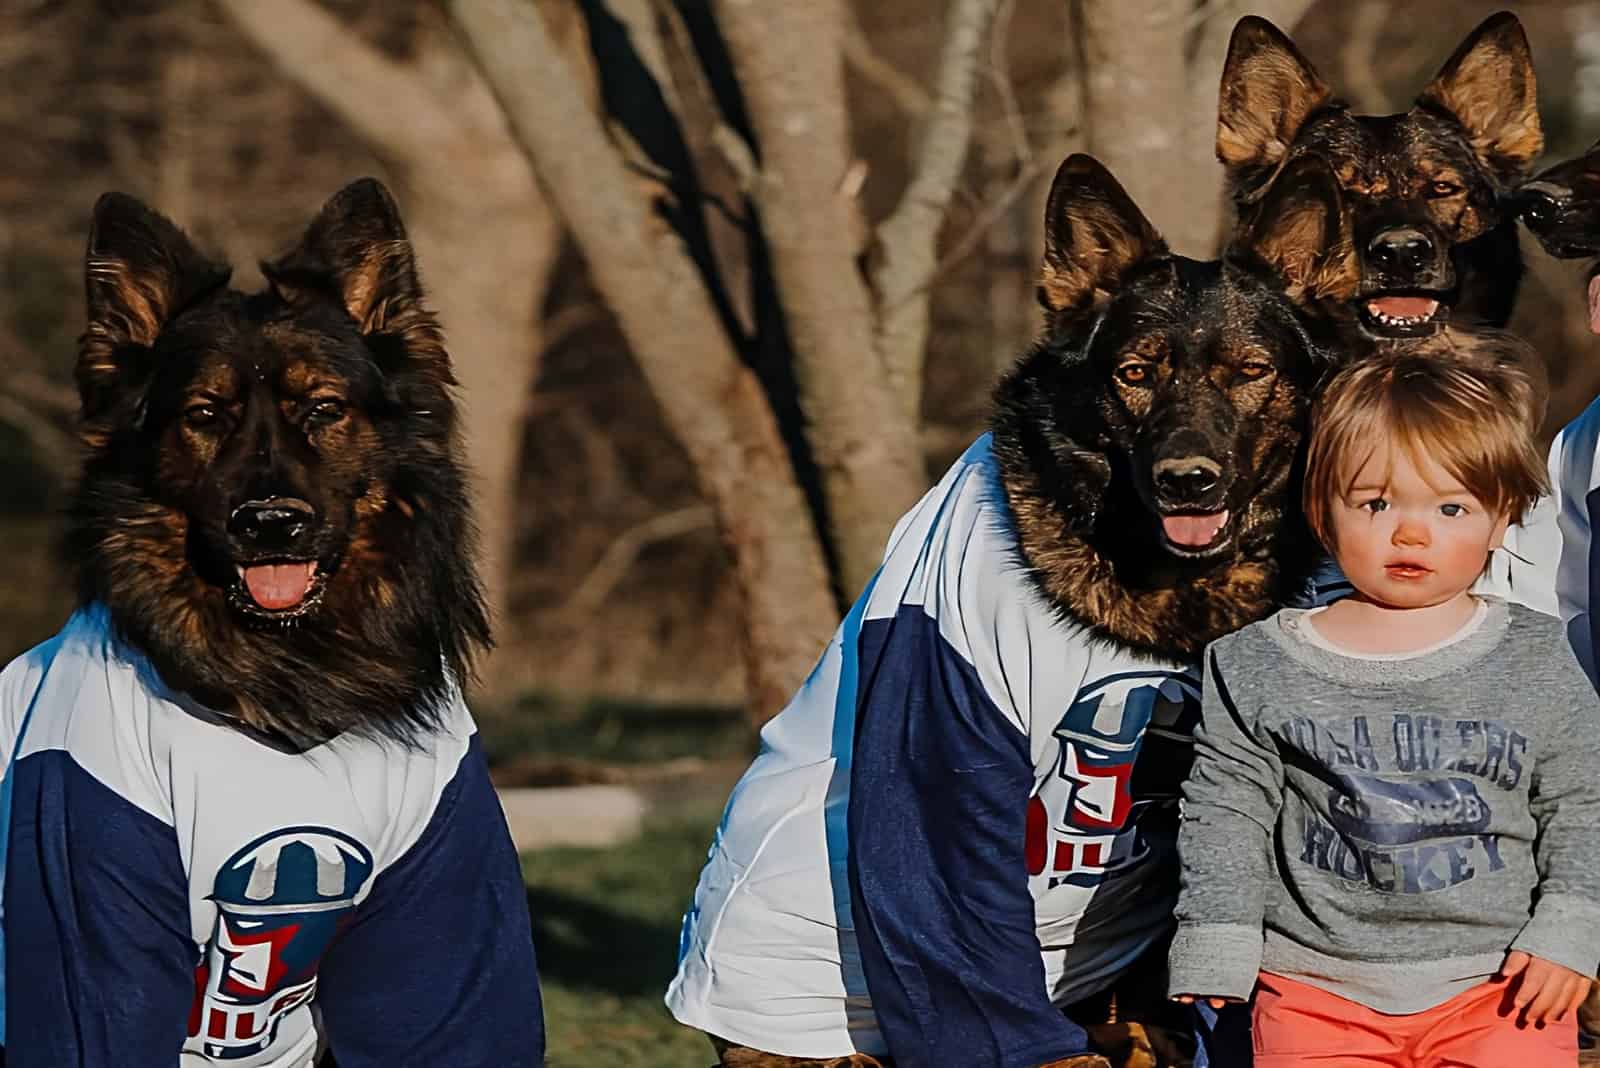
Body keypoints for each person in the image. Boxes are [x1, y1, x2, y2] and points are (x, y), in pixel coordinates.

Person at [1166, 350, 1600, 1066]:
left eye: (1451, 507)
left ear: (1503, 520)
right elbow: (1226, 813)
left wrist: (1570, 930)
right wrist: (1217, 933)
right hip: (1315, 991)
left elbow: (1583, 805)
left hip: (1501, 987)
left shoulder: (1537, 656)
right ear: (1322, 509)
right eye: (1375, 503)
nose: (1410, 532)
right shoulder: (1254, 664)